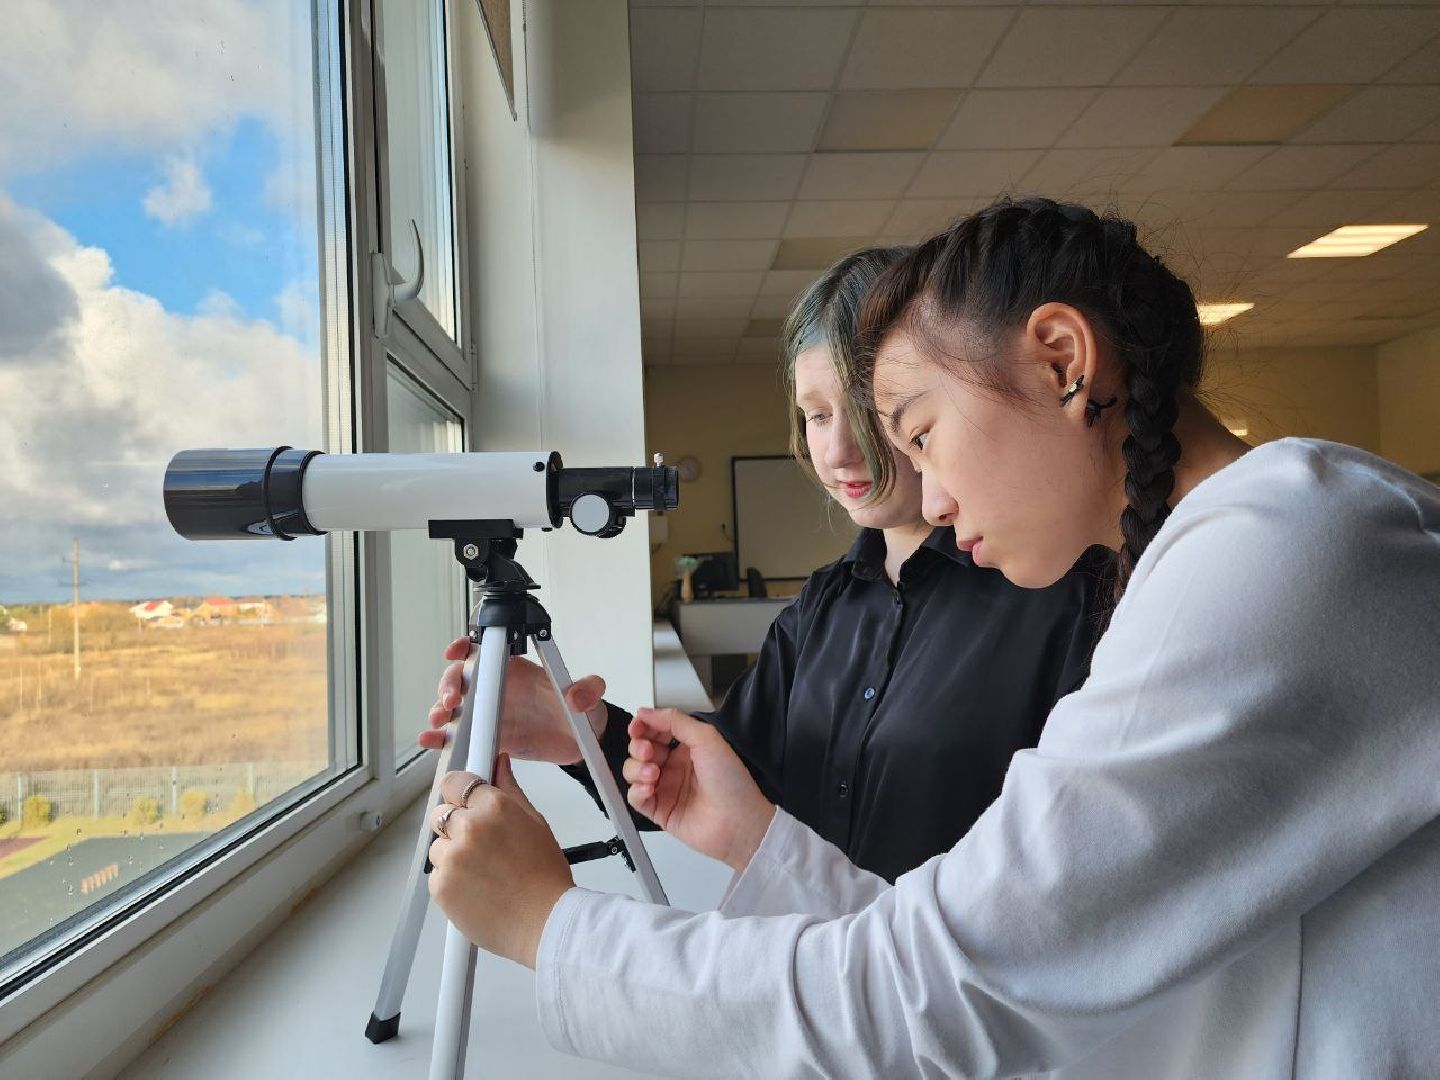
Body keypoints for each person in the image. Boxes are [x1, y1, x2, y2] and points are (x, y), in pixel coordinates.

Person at [424, 196, 1440, 1078]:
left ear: (1061, 360)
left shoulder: (1287, 548)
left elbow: (947, 985)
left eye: (917, 432)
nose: (935, 496)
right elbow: (1003, 952)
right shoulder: (1231, 553)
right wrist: (749, 836)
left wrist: (549, 925)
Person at [422, 247, 1109, 883]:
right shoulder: (820, 609)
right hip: (811, 960)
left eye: (868, 409)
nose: (838, 453)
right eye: (816, 415)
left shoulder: (1063, 594)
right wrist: (578, 729)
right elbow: (725, 777)